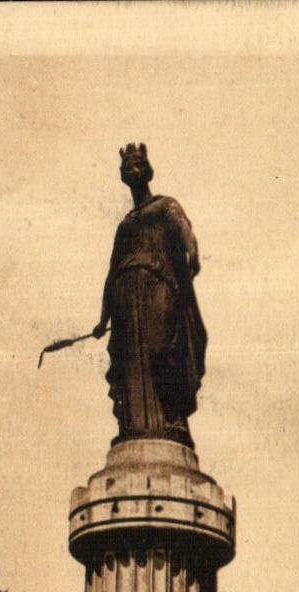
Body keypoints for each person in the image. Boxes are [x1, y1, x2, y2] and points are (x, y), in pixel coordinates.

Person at [91, 142, 207, 446]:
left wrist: (192, 253)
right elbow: (111, 271)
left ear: (147, 170)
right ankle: (133, 425)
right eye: (127, 168)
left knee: (163, 350)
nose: (133, 171)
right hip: (125, 298)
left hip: (158, 287)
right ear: (123, 175)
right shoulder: (125, 225)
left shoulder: (165, 206)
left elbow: (186, 232)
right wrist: (103, 319)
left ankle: (172, 420)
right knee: (129, 362)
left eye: (138, 165)